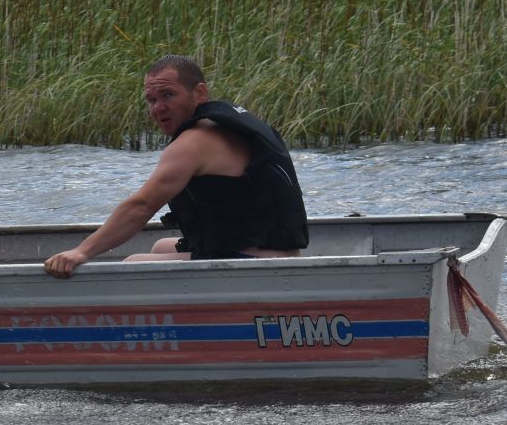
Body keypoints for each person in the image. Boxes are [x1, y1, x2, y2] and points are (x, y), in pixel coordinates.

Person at [43, 55, 308, 278]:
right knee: (160, 247)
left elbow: (141, 206)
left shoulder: (194, 142)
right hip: (278, 252)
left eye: (168, 95)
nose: (159, 108)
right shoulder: (229, 125)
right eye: (151, 100)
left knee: (132, 264)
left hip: (255, 264)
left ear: (200, 93)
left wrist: (82, 252)